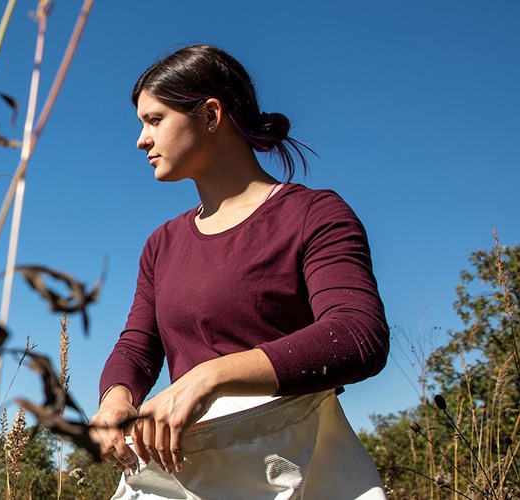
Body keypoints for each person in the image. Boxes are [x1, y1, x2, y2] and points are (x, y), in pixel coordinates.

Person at [89, 45, 390, 497]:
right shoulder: (162, 243)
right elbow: (138, 344)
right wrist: (115, 398)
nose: (141, 140)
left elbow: (357, 335)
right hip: (180, 474)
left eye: (154, 120)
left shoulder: (315, 214)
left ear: (211, 115)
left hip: (289, 467)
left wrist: (208, 377)